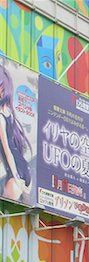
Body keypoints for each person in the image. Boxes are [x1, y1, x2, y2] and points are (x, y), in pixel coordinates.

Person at [0, 64, 32, 201]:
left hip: (16, 174)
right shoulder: (10, 111)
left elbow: (8, 152)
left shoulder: (2, 116)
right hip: (25, 170)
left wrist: (17, 178)